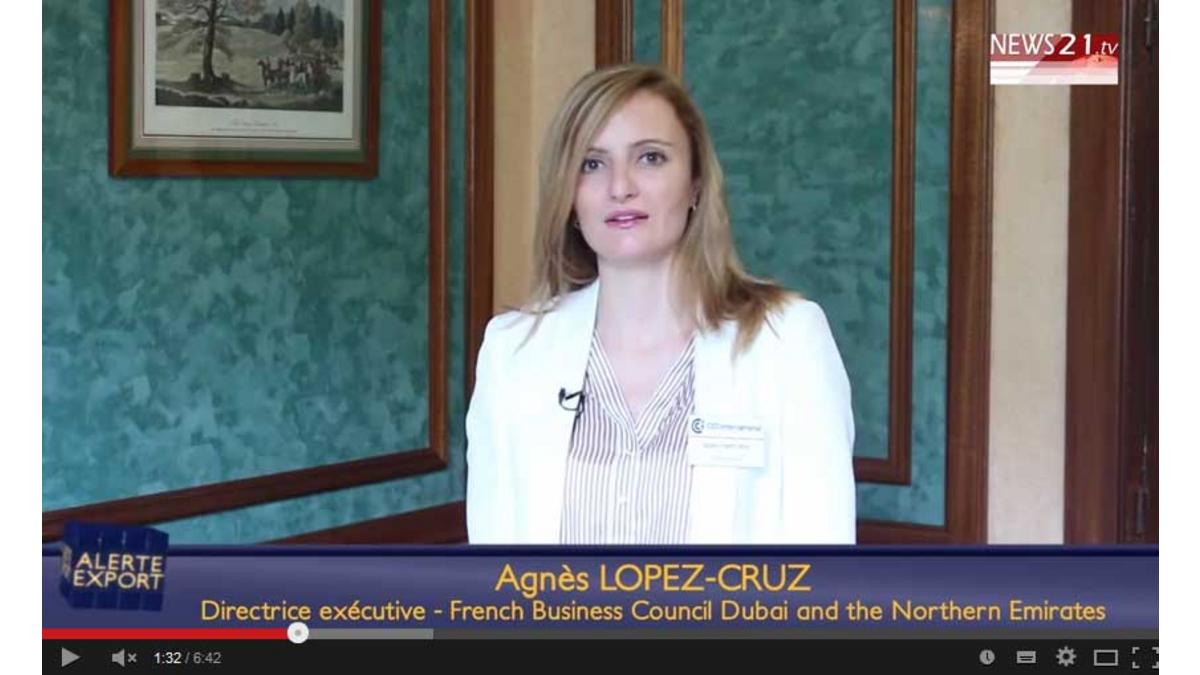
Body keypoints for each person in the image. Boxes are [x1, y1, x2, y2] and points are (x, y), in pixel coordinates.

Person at [466, 64, 855, 544]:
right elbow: (496, 564)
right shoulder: (512, 353)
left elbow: (821, 564)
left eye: (650, 158)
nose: (620, 186)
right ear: (569, 197)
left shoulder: (787, 341)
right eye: (591, 164)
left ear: (695, 185)